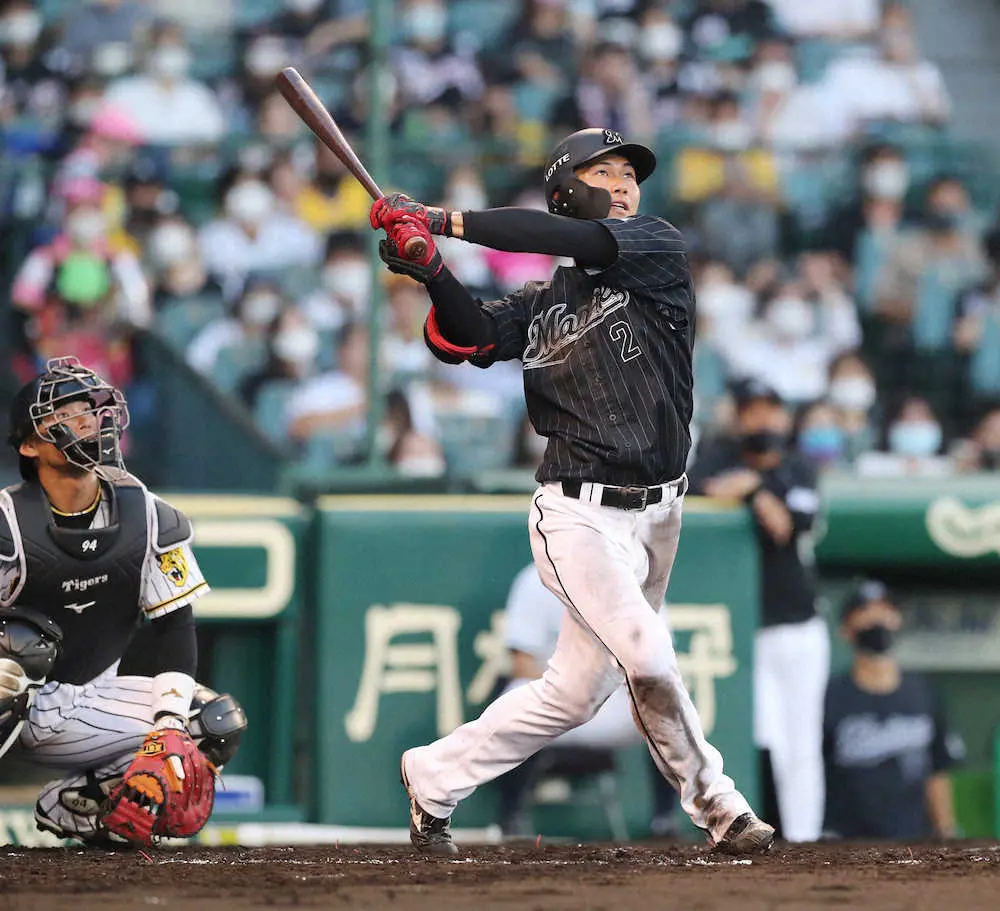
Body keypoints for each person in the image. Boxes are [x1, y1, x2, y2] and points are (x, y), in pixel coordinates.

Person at [368, 126, 774, 856]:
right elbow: (466, 340)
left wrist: (441, 221)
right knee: (647, 653)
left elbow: (554, 236)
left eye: (630, 172)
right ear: (566, 191)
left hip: (659, 513)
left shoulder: (654, 249)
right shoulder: (545, 298)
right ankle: (723, 808)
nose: (624, 183)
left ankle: (433, 773)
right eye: (604, 171)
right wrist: (430, 270)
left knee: (573, 693)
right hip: (576, 511)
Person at [0, 356, 246, 844]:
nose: (83, 422)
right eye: (62, 416)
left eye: (86, 410)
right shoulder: (7, 522)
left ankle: (78, 807)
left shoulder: (149, 514)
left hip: (87, 701)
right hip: (12, 694)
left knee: (210, 724)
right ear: (30, 445)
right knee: (23, 645)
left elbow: (176, 626)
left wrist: (168, 726)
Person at [688, 378, 828, 843]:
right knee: (761, 738)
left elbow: (785, 525)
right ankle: (759, 830)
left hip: (798, 627)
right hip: (745, 630)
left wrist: (755, 489)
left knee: (800, 746)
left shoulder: (799, 468)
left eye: (770, 409)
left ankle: (804, 840)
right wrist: (747, 485)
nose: (762, 419)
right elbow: (698, 496)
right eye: (752, 410)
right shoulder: (716, 456)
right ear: (739, 415)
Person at [496, 563, 678, 838]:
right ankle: (509, 817)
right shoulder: (536, 579)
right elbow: (521, 665)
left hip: (612, 707)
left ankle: (664, 820)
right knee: (514, 692)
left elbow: (654, 665)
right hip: (554, 699)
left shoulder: (636, 581)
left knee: (666, 703)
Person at [823, 580, 962, 839]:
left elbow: (937, 769)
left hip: (914, 839)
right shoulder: (829, 695)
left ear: (898, 620)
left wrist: (945, 827)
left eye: (885, 611)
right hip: (845, 842)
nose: (878, 619)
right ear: (846, 630)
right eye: (866, 613)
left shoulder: (923, 691)